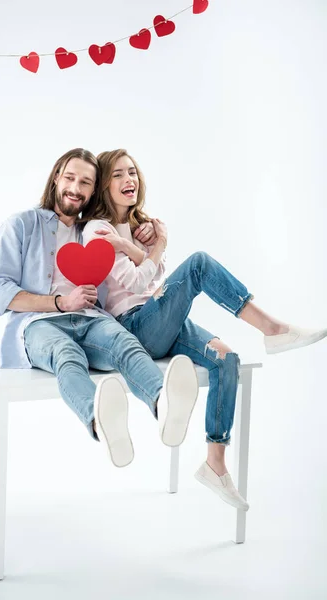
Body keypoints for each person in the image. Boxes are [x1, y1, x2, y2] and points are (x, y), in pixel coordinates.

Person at [81, 148, 327, 510]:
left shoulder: (136, 228)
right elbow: (134, 284)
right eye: (117, 174)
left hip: (162, 317)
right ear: (104, 183)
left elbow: (157, 276)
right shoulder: (96, 230)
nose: (128, 180)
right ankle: (272, 328)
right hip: (134, 327)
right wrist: (156, 248)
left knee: (227, 359)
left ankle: (215, 462)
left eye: (132, 172)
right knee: (198, 264)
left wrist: (141, 246)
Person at [0, 148, 200, 470]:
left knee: (126, 344)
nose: (75, 188)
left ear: (93, 189)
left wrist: (145, 235)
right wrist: (60, 302)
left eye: (85, 182)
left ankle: (164, 405)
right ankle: (100, 421)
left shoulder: (96, 230)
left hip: (91, 317)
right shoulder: (21, 224)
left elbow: (136, 274)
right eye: (70, 177)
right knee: (66, 355)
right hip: (38, 322)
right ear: (57, 176)